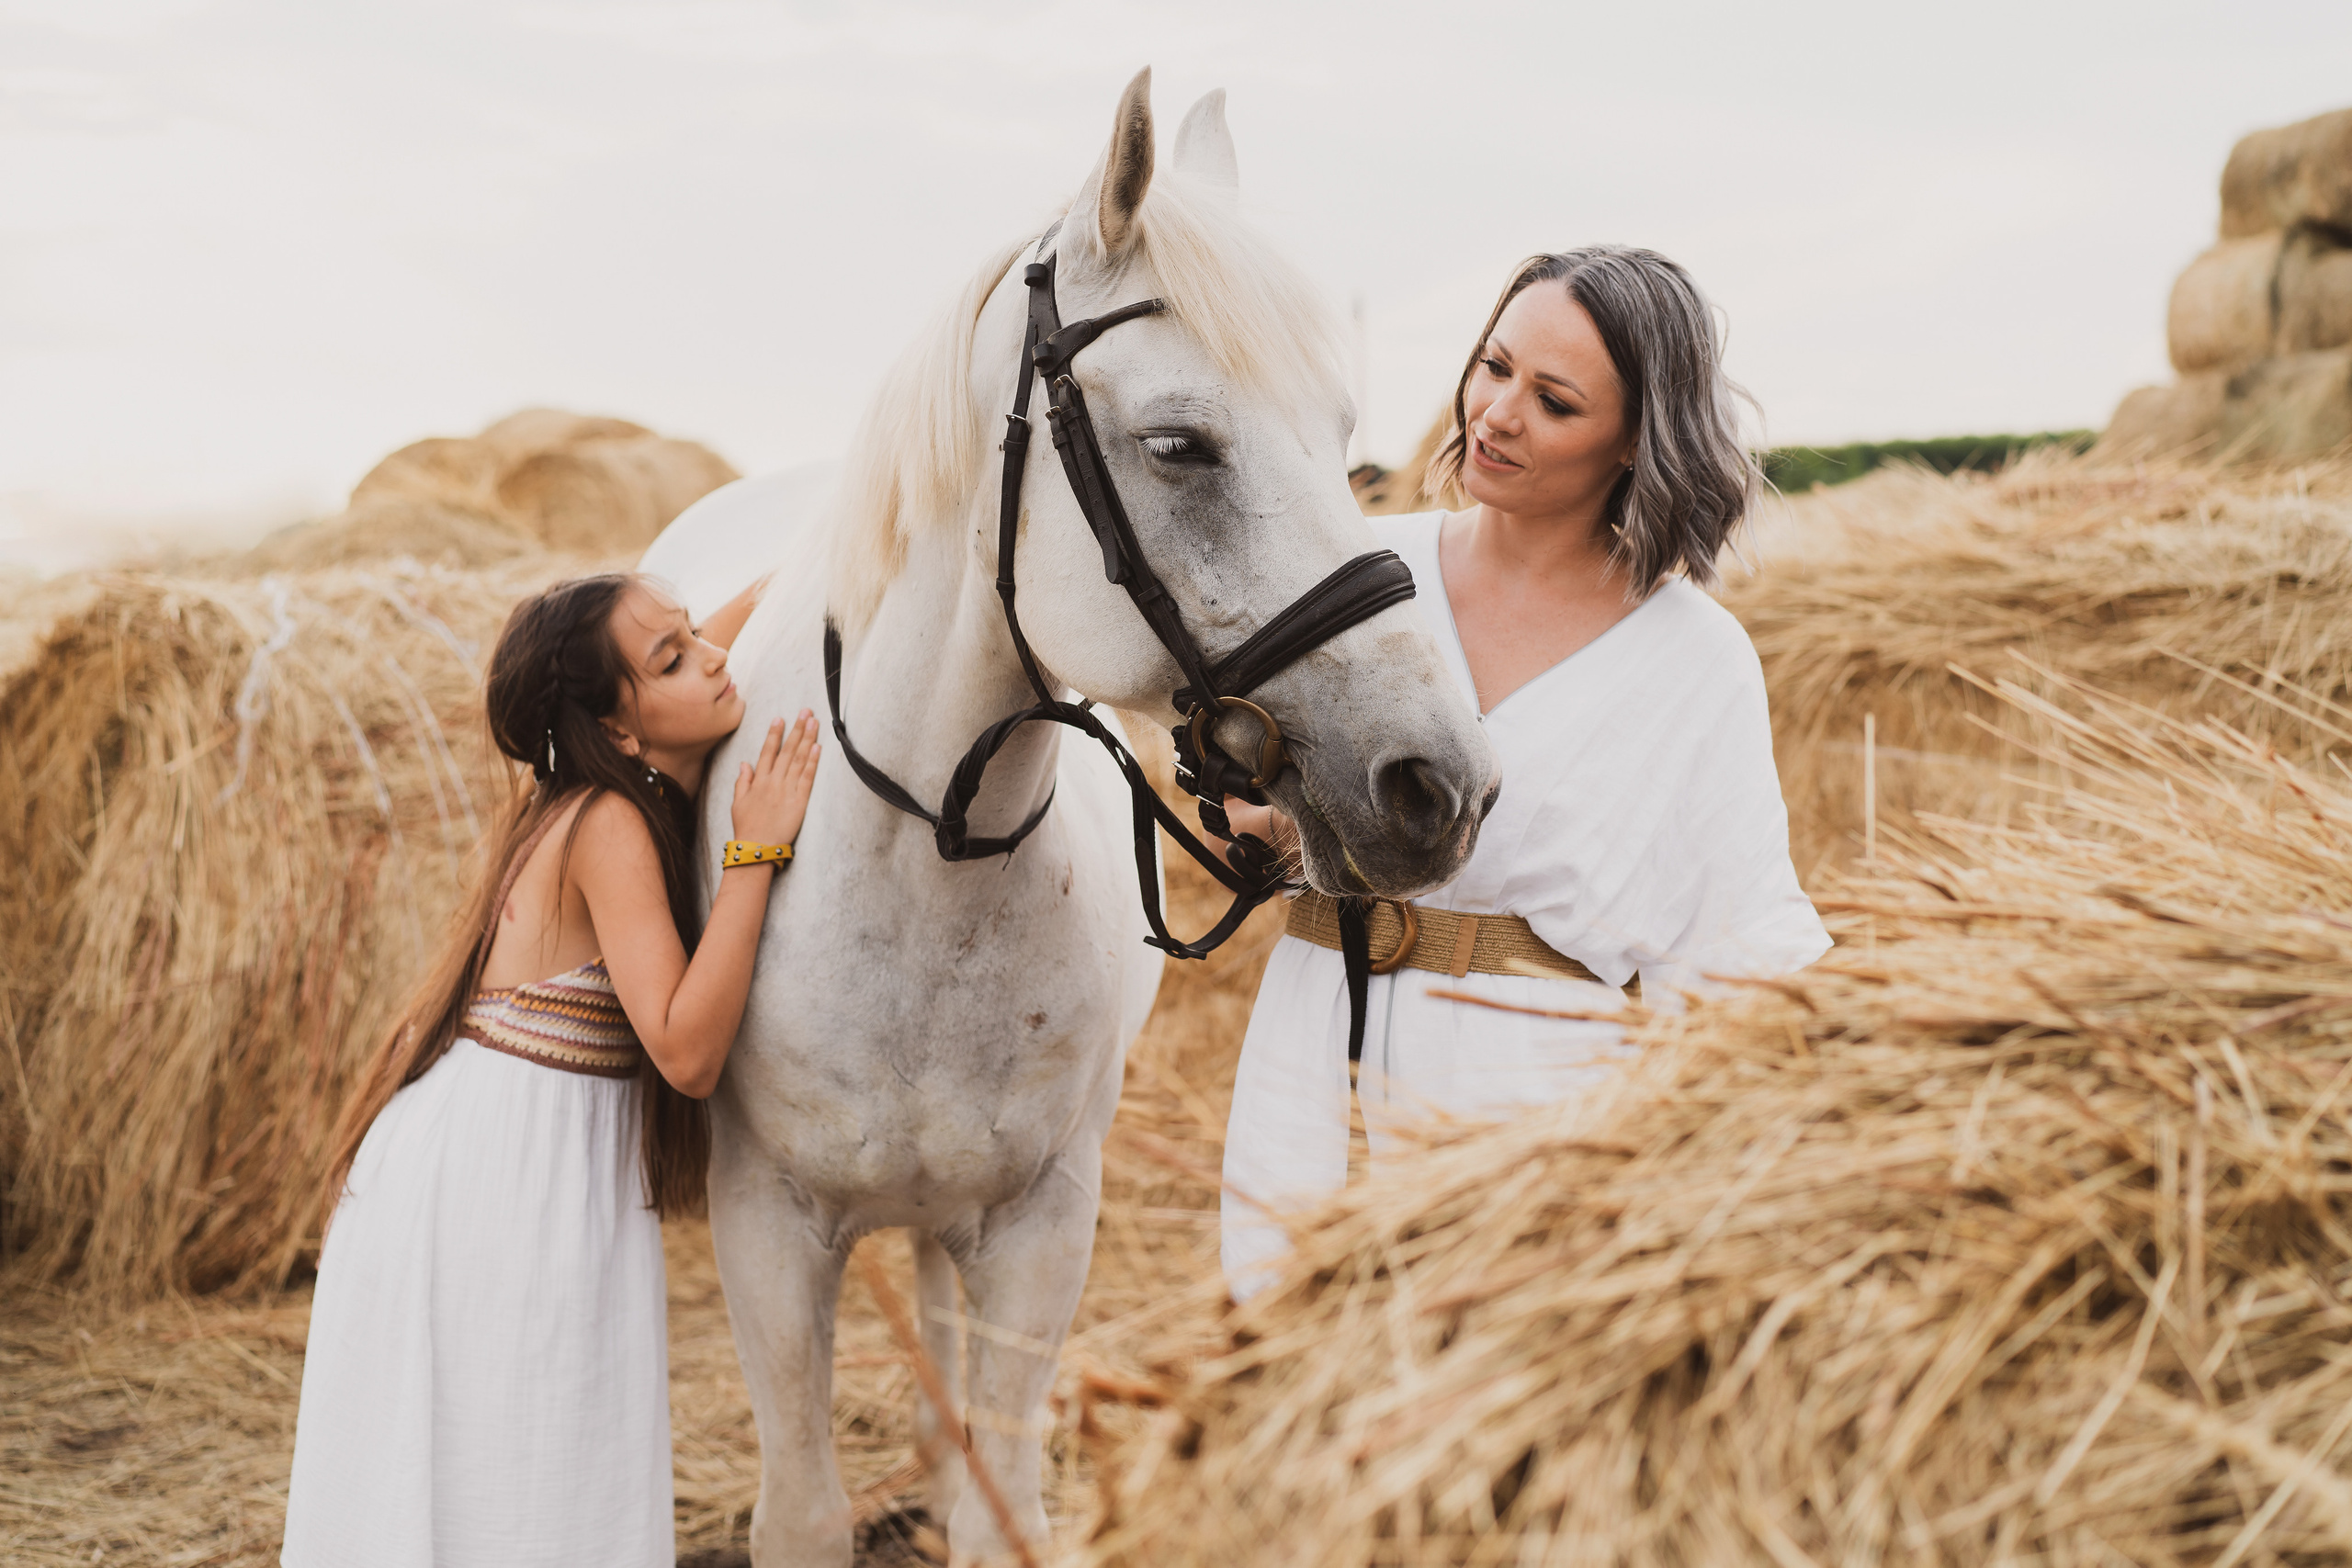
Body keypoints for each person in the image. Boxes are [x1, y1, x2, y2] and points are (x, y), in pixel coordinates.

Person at [1218, 246, 1830, 1298]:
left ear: (1636, 441)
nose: (1496, 414)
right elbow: (1253, 803)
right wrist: (1262, 824)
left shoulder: (1695, 656)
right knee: (1282, 1402)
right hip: (1309, 1055)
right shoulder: (1357, 578)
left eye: (1553, 401)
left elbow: (1740, 944)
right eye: (1492, 367)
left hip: (1537, 1103)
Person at [282, 572, 819, 1567]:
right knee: (528, 1479)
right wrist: (757, 851)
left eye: (695, 635)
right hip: (500, 1187)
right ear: (617, 729)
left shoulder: (590, 785)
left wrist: (811, 551)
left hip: (497, 1164)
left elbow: (720, 632)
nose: (712, 657)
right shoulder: (606, 826)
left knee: (514, 1477)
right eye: (672, 658)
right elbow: (687, 1052)